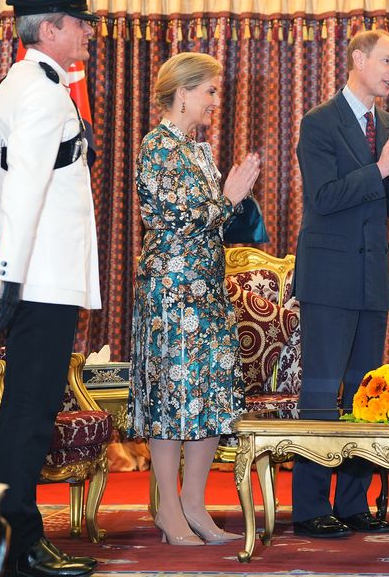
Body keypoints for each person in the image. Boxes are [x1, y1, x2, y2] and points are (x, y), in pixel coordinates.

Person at [0, 0, 102, 577]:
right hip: (40, 279)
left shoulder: (30, 84)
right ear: (51, 29)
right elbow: (22, 187)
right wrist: (7, 280)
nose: (89, 31)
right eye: (80, 23)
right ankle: (16, 545)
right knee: (29, 415)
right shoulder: (39, 93)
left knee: (28, 413)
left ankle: (8, 541)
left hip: (41, 276)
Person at [126, 52, 260, 546]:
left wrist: (235, 200)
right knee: (170, 400)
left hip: (207, 290)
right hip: (171, 292)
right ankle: (168, 510)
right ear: (182, 93)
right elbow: (181, 218)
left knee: (209, 397)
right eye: (210, 91)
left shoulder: (200, 152)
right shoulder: (155, 148)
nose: (215, 101)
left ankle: (195, 508)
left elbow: (218, 219)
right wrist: (229, 196)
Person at [292, 29, 389, 538]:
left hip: (372, 277)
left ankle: (351, 503)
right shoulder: (319, 122)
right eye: (387, 61)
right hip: (328, 277)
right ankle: (308, 508)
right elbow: (323, 197)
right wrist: (382, 168)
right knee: (323, 391)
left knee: (364, 393)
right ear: (359, 60)